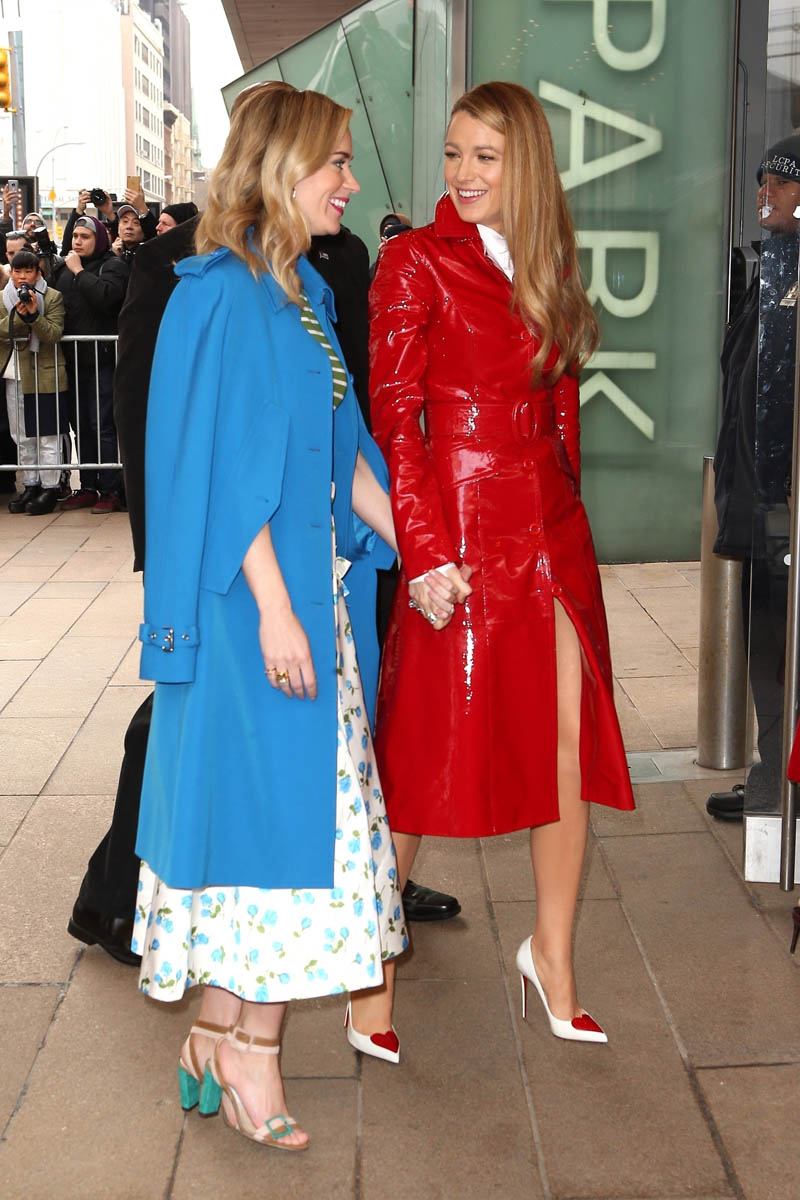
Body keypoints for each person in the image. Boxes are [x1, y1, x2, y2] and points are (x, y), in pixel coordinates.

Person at [131, 81, 406, 1150]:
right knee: (286, 835)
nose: (350, 181)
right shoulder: (221, 292)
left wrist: (424, 550)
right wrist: (279, 613)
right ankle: (251, 1050)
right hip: (257, 617)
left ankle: (219, 1034)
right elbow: (213, 470)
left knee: (282, 828)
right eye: (335, 160)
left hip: (297, 608)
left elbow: (346, 459)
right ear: (281, 166)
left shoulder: (302, 294)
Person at [364, 80, 635, 1046]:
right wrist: (425, 549)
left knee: (565, 744)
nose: (464, 173)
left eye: (486, 155)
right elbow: (394, 419)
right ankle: (370, 973)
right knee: (420, 750)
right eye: (453, 153)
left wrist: (570, 523)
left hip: (549, 530)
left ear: (526, 164)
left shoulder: (548, 257)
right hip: (462, 528)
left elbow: (562, 412)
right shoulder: (413, 261)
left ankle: (552, 957)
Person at [708, 133, 800, 822]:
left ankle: (781, 787)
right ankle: (773, 775)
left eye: (782, 180)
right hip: (756, 495)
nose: (765, 190)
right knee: (764, 643)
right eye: (762, 178)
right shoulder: (769, 272)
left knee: (781, 647)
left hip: (784, 503)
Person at [51, 214, 129, 513]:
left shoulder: (113, 266)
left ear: (99, 239)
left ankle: (109, 489)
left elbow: (106, 298)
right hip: (73, 361)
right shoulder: (63, 269)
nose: (78, 242)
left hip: (103, 360)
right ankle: (87, 485)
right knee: (80, 426)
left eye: (85, 237)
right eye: (75, 236)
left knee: (102, 425)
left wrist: (79, 271)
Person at [1, 249, 68, 514]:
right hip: (15, 374)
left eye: (28, 271)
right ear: (11, 273)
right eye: (17, 271)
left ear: (38, 273)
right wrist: (19, 317)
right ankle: (30, 484)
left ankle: (50, 487)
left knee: (48, 435)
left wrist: (33, 316)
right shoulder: (3, 298)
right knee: (21, 435)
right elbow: (2, 329)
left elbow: (53, 333)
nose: (22, 277)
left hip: (46, 375)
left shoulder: (52, 297)